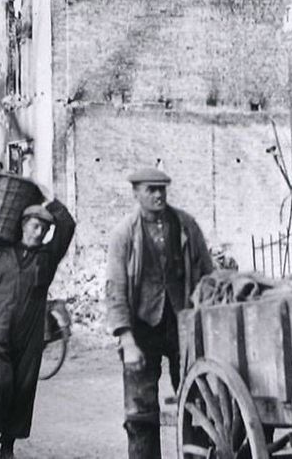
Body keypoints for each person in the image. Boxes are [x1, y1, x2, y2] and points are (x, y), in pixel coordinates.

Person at [105, 168, 214, 459]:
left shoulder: (186, 225)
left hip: (183, 324)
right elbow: (115, 288)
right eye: (151, 190)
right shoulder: (124, 234)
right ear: (136, 193)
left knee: (197, 401)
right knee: (141, 412)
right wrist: (126, 341)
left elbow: (206, 273)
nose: (158, 195)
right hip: (141, 327)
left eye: (162, 189)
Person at [0, 193, 76, 459]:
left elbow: (69, 225)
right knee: (0, 386)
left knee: (23, 390)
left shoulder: (47, 258)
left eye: (44, 229)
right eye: (35, 225)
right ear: (23, 225)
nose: (39, 233)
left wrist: (49, 202)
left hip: (29, 338)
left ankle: (8, 445)